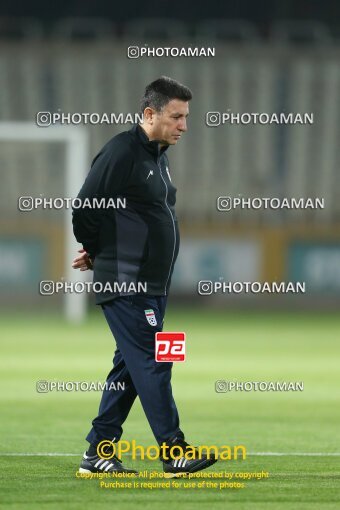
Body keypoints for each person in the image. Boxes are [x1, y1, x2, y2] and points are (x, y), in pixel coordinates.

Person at [72, 76, 217, 478]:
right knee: (156, 361)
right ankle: (175, 452)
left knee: (132, 368)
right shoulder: (121, 151)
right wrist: (99, 251)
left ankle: (97, 452)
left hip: (154, 287)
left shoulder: (158, 155)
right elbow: (85, 207)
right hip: (126, 282)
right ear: (149, 114)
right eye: (176, 117)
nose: (184, 126)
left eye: (186, 117)